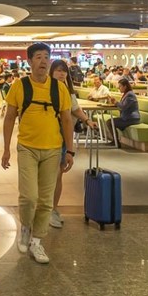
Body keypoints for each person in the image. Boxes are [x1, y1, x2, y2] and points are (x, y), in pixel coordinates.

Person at [1, 43, 73, 265]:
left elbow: (67, 119)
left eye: (46, 57)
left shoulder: (59, 88)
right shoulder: (19, 86)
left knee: (45, 200)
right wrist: (6, 149)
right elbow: (10, 117)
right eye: (39, 57)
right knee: (29, 196)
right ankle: (25, 227)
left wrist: (70, 150)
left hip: (53, 149)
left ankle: (37, 241)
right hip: (27, 147)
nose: (43, 61)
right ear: (30, 61)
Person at [48, 60, 96, 229]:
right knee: (48, 176)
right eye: (58, 70)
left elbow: (75, 109)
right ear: (51, 72)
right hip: (47, 137)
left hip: (62, 138)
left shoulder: (68, 92)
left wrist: (87, 120)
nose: (61, 74)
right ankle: (45, 209)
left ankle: (53, 209)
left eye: (64, 71)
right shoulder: (46, 89)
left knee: (58, 175)